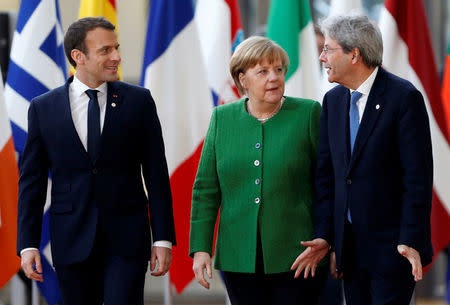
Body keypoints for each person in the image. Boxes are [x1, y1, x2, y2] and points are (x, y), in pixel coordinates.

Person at [17, 17, 176, 305]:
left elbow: (156, 173)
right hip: (70, 239)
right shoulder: (43, 108)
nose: (116, 57)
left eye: (116, 48)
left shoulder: (139, 101)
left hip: (127, 241)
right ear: (78, 56)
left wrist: (162, 238)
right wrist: (27, 244)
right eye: (105, 50)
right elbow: (32, 182)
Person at [292, 14, 434, 305]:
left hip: (393, 250)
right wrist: (325, 235)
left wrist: (409, 239)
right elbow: (327, 177)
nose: (321, 57)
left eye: (328, 49)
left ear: (354, 54)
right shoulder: (333, 101)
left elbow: (417, 179)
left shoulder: (404, 98)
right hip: (350, 251)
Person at [189, 36, 326, 305]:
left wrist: (325, 238)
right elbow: (205, 190)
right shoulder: (222, 118)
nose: (273, 77)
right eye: (262, 71)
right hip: (238, 256)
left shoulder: (308, 113)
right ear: (243, 79)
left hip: (298, 256)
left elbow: (325, 184)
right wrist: (201, 248)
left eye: (278, 70)